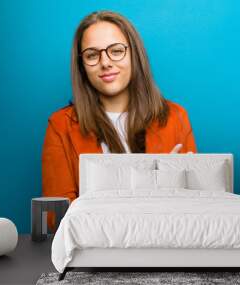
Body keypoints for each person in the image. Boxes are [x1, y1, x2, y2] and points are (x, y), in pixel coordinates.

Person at [42, 10, 197, 230]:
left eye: (116, 51)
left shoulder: (176, 117)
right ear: (82, 65)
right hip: (97, 255)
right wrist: (153, 189)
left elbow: (196, 206)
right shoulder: (60, 125)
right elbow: (54, 218)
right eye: (92, 55)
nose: (105, 62)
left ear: (135, 54)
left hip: (165, 246)